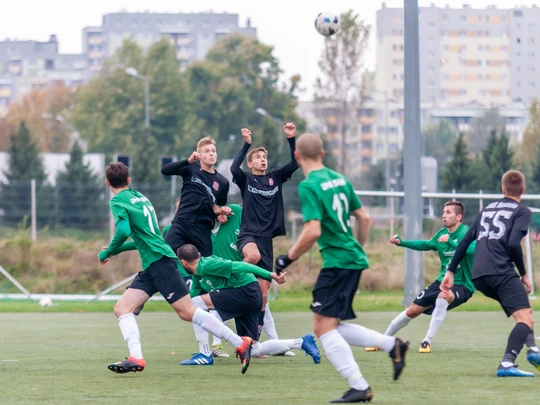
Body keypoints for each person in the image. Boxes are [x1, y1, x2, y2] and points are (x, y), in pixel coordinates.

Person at [274, 134, 409, 404]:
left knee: (322, 329)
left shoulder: (309, 185)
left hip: (338, 262)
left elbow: (312, 230)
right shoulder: (340, 179)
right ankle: (392, 345)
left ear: (298, 157)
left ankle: (360, 386)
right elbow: (365, 218)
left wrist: (286, 259)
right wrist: (357, 247)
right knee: (330, 325)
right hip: (351, 259)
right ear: (322, 154)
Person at [98, 162, 251, 374]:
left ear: (107, 183)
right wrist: (118, 250)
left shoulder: (117, 201)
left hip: (159, 263)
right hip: (154, 263)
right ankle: (136, 358)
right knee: (122, 308)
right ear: (129, 180)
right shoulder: (140, 198)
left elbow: (123, 230)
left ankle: (239, 342)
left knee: (187, 312)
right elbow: (148, 238)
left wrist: (107, 252)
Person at [441, 170, 540, 377]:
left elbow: (465, 241)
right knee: (526, 319)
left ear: (503, 189)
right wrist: (523, 274)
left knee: (523, 309)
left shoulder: (486, 210)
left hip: (479, 275)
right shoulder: (522, 211)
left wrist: (450, 271)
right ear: (523, 190)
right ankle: (507, 363)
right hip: (500, 271)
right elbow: (513, 243)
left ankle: (533, 349)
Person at [176, 244, 321, 370]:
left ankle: (205, 353)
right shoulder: (197, 275)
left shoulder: (207, 264)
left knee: (195, 304)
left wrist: (269, 274)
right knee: (254, 349)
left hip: (246, 291)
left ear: (183, 263)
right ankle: (301, 342)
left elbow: (241, 265)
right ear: (199, 254)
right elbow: (189, 299)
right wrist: (181, 307)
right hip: (250, 295)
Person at [365, 201, 475, 353]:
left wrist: (452, 243)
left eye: (448, 212)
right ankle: (383, 341)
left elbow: (475, 249)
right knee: (412, 310)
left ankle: (426, 341)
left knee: (443, 297)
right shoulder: (440, 234)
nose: (444, 215)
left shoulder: (467, 232)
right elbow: (425, 244)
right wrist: (402, 243)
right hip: (442, 281)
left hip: (463, 284)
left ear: (459, 217)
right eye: (443, 212)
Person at [230, 123, 299, 343]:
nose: (262, 159)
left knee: (262, 295)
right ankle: (235, 276)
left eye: (263, 157)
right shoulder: (247, 179)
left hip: (266, 239)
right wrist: (246, 145)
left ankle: (254, 341)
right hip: (248, 234)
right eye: (257, 157)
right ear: (250, 163)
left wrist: (291, 138)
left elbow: (296, 163)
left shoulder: (275, 178)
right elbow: (233, 169)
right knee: (252, 256)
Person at [161, 136, 231, 257]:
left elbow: (218, 206)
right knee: (164, 255)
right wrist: (187, 161)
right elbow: (165, 170)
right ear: (199, 155)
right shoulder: (190, 169)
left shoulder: (222, 182)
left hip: (202, 228)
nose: (211, 154)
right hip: (182, 222)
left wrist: (221, 213)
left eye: (213, 151)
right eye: (207, 151)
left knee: (204, 266)